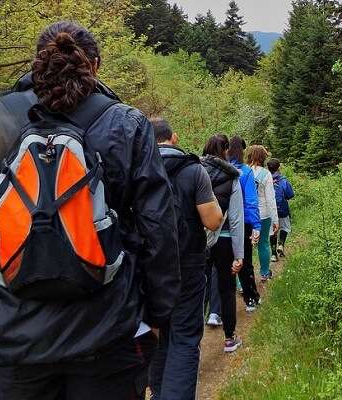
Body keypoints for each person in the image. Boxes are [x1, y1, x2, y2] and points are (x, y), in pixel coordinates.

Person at [0, 22, 180, 399]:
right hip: (107, 334)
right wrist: (156, 316)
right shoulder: (127, 124)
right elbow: (160, 230)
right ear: (96, 66)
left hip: (14, 339)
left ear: (38, 63)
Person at [148, 118, 222, 399]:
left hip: (150, 266)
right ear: (174, 137)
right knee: (185, 338)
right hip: (187, 265)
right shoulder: (193, 170)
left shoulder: (137, 168)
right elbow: (213, 221)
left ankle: (157, 392)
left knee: (156, 333)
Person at [202, 134, 245, 352]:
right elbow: (236, 219)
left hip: (199, 242)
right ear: (226, 150)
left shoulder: (194, 171)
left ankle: (192, 343)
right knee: (227, 290)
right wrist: (239, 255)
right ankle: (230, 339)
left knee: (200, 290)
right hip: (225, 241)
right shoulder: (232, 177)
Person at [228, 136, 261, 312]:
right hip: (243, 222)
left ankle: (219, 309)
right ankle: (250, 298)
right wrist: (256, 225)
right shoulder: (246, 172)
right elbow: (250, 201)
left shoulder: (221, 169)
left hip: (222, 222)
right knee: (245, 260)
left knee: (224, 263)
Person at [247, 145, 279, 281]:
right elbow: (271, 198)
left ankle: (241, 282)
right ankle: (265, 273)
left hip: (247, 214)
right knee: (264, 243)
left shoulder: (243, 171)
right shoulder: (266, 174)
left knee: (244, 247)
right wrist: (276, 219)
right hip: (263, 214)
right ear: (263, 158)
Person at [267, 158, 295, 262]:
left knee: (272, 231)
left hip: (270, 210)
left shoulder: (266, 180)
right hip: (282, 209)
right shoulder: (283, 181)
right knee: (285, 227)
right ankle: (281, 244)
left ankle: (273, 254)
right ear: (279, 167)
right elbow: (290, 195)